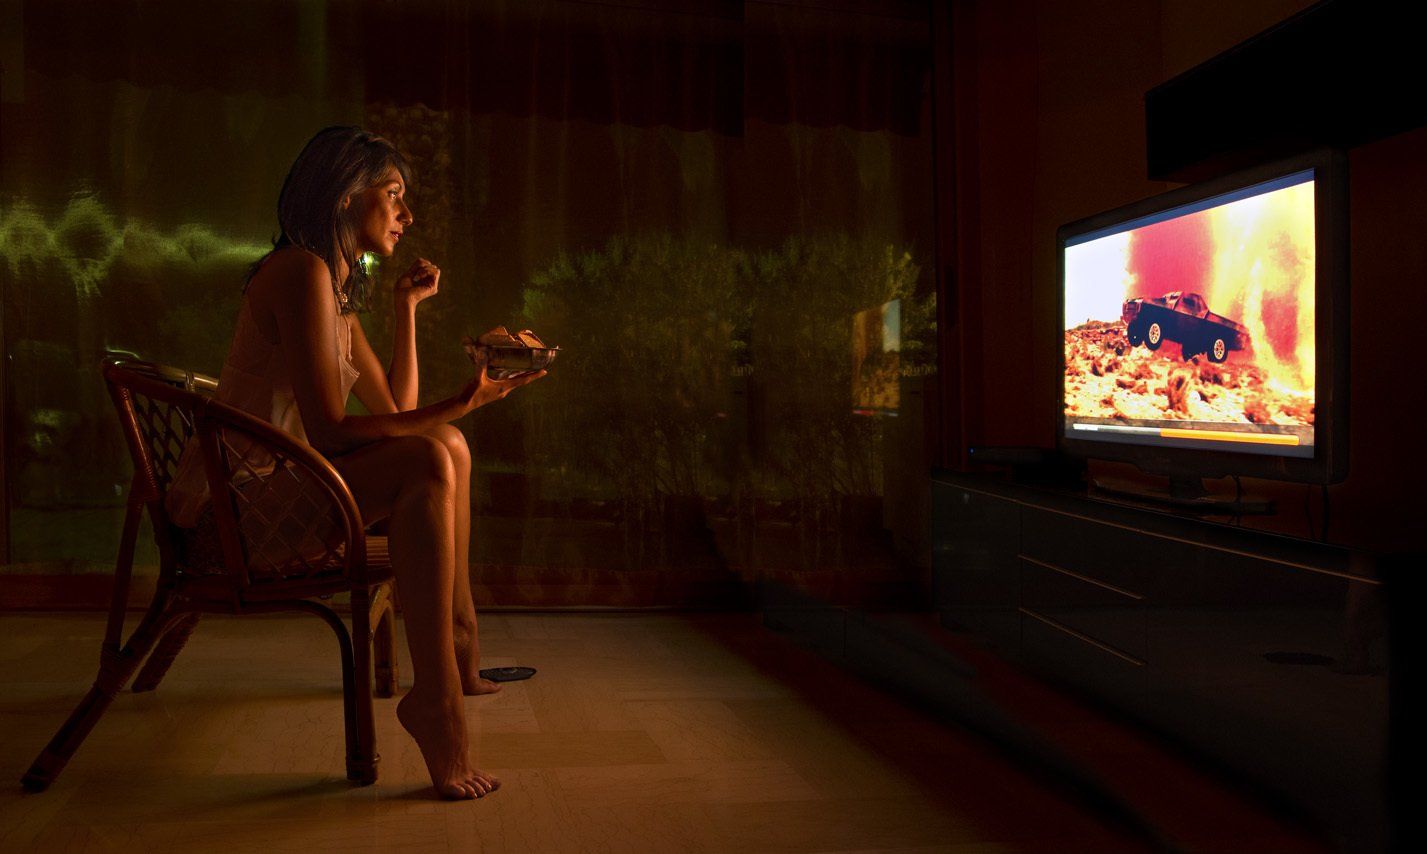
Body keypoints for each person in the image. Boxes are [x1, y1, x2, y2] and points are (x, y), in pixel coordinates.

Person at [166, 126, 541, 799]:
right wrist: (464, 400)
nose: (407, 215)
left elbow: (396, 405)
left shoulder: (334, 291)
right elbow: (333, 432)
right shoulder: (299, 272)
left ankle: (460, 656)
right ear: (344, 195)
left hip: (284, 491)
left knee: (445, 447)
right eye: (393, 196)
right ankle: (437, 702)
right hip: (237, 512)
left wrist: (404, 310)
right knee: (433, 453)